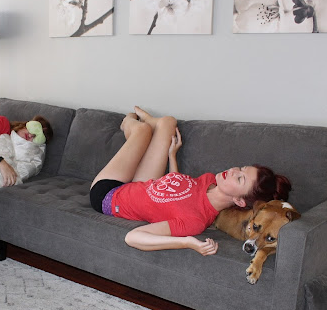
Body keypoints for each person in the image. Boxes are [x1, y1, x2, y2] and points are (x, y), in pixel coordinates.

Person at [89, 107, 291, 256]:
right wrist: (172, 156)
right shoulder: (210, 180)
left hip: (109, 195)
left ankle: (128, 121)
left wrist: (187, 242)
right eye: (240, 168)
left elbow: (132, 237)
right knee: (168, 122)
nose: (232, 170)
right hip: (141, 184)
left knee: (141, 131)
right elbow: (177, 194)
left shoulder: (195, 221)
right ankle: (152, 125)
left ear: (239, 201)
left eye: (239, 178)